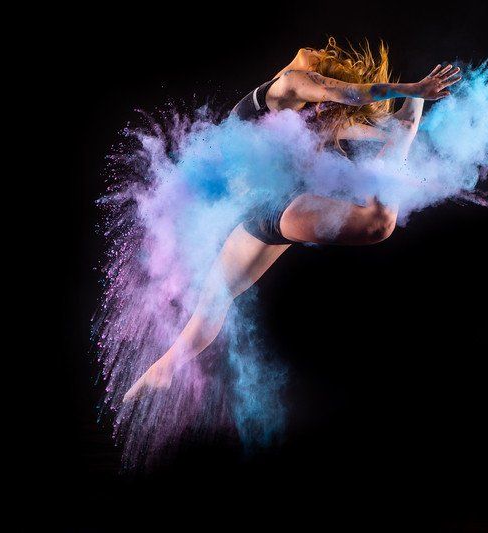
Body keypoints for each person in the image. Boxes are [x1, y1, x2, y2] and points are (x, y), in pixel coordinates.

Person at [124, 39, 460, 399]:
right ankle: (165, 367)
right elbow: (347, 94)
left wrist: (414, 108)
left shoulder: (314, 120)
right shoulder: (286, 84)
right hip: (267, 212)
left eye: (323, 54)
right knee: (377, 224)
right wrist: (409, 89)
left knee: (376, 220)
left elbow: (371, 120)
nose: (315, 47)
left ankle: (165, 366)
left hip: (270, 214)